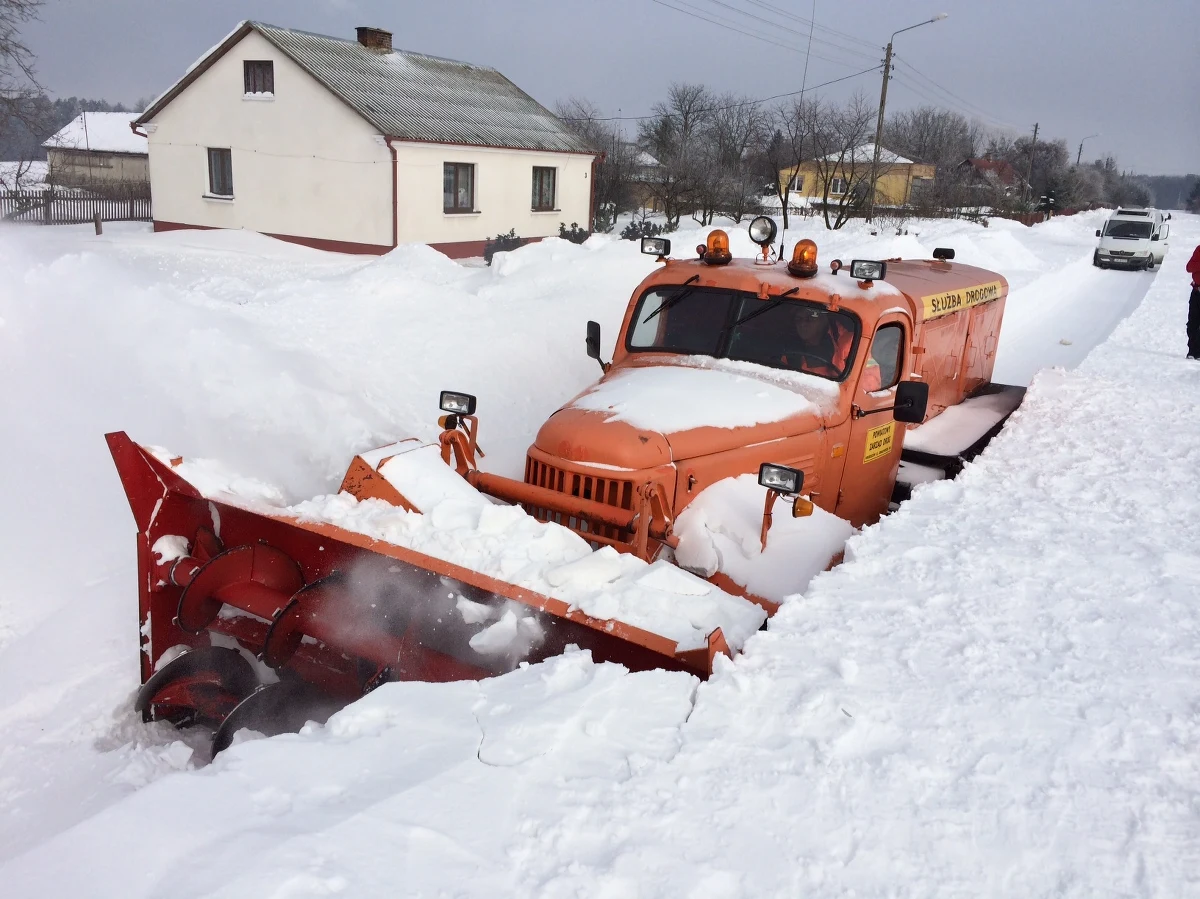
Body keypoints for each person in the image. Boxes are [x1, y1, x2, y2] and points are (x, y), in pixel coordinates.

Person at [1188, 243, 1200, 360]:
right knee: (1193, 322)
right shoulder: (1199, 249)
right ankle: (1191, 351)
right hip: (1197, 292)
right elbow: (1189, 267)